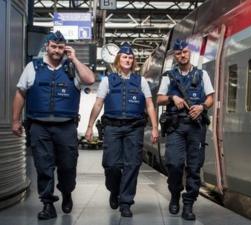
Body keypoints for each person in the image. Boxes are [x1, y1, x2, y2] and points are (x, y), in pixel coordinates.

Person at [11, 31, 95, 220]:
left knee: (67, 166)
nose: (57, 50)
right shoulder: (32, 67)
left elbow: (90, 80)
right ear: (47, 46)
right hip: (39, 126)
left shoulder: (72, 68)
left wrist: (74, 59)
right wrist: (15, 120)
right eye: (54, 46)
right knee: (43, 166)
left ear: (65, 48)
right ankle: (48, 203)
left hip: (66, 127)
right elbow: (20, 94)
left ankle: (66, 192)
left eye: (60, 47)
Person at [84, 43, 158, 217]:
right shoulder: (107, 80)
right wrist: (89, 126)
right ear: (118, 60)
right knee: (111, 165)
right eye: (125, 57)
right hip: (112, 128)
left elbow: (149, 105)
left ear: (134, 62)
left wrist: (155, 128)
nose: (128, 59)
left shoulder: (141, 81)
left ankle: (126, 202)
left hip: (134, 128)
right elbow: (98, 103)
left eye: (131, 57)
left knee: (132, 165)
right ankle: (114, 189)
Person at [157, 39, 215, 220]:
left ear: (190, 53)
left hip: (196, 127)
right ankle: (175, 194)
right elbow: (159, 99)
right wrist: (172, 97)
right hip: (176, 126)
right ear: (175, 56)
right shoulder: (169, 76)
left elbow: (210, 98)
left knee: (194, 167)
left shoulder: (202, 74)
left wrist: (202, 107)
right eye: (178, 53)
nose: (182, 55)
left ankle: (188, 203)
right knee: (174, 163)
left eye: (185, 52)